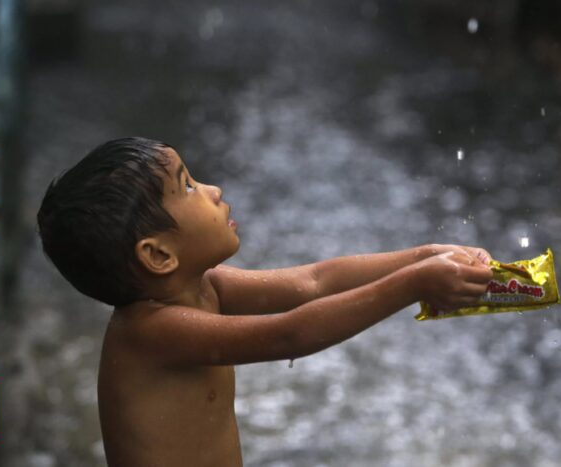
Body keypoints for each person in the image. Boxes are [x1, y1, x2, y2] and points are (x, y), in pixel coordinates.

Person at [36, 136, 494, 466]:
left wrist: (424, 256)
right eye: (189, 186)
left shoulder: (205, 288)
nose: (213, 189)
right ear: (159, 255)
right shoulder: (151, 332)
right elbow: (289, 333)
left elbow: (315, 280)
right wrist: (413, 285)